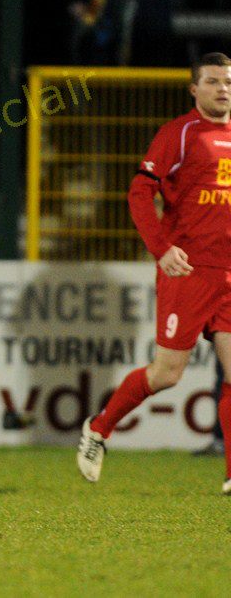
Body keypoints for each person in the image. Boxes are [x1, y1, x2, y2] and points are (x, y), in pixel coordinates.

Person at [77, 52, 231, 495]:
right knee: (167, 373)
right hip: (188, 272)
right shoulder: (178, 134)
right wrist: (161, 249)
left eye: (227, 81)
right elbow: (139, 193)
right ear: (194, 89)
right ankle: (99, 428)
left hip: (228, 275)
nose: (223, 89)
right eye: (213, 81)